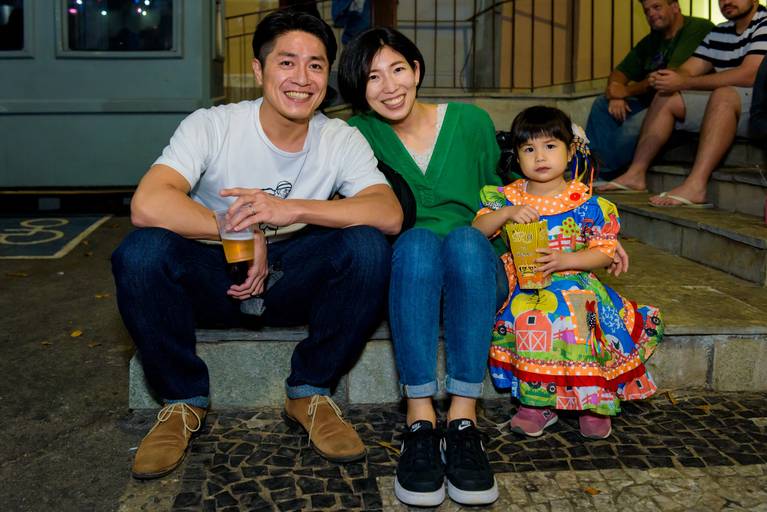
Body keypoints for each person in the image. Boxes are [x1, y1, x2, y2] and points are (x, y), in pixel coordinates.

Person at [111, 10, 403, 480]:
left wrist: (291, 209)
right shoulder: (213, 125)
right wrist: (240, 232)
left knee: (367, 247)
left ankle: (310, 391)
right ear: (258, 69)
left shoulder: (338, 138)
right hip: (217, 276)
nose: (302, 78)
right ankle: (182, 401)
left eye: (315, 65)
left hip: (295, 278)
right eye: (287, 62)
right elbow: (148, 203)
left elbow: (388, 213)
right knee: (141, 252)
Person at [338, 27, 504, 507]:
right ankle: (420, 421)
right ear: (359, 87)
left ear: (416, 70)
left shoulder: (470, 122)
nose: (389, 87)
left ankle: (464, 419)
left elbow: (505, 191)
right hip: (412, 275)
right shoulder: (356, 134)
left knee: (466, 240)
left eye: (398, 69)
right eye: (373, 77)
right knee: (416, 243)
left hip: (476, 268)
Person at [473, 106, 664, 440]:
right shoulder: (508, 197)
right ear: (517, 156)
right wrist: (505, 214)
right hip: (527, 283)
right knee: (529, 318)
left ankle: (593, 402)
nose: (540, 157)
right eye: (528, 149)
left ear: (571, 150)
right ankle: (536, 403)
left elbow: (604, 251)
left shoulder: (584, 202)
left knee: (582, 320)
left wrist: (565, 261)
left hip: (575, 279)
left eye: (550, 146)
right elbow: (476, 231)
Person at [598, 0, 767, 207]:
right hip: (727, 102)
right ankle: (635, 174)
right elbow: (689, 69)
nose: (726, 2)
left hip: (760, 104)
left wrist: (685, 82)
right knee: (666, 95)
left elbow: (750, 75)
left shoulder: (764, 24)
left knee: (723, 94)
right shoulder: (720, 31)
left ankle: (696, 185)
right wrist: (668, 78)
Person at [586, 0, 713, 182]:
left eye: (657, 7)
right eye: (647, 11)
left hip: (679, 104)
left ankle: (595, 171)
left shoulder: (696, 28)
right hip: (649, 102)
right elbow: (619, 73)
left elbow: (667, 77)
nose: (651, 14)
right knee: (602, 104)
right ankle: (594, 169)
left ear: (675, 7)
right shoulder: (651, 40)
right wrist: (615, 94)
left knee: (630, 129)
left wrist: (625, 91)